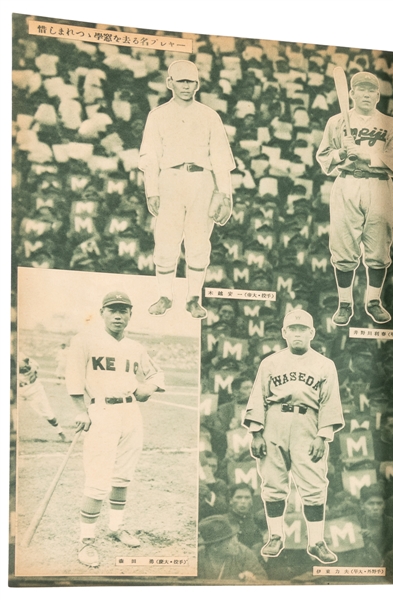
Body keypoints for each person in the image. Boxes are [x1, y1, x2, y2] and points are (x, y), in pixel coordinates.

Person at [65, 291, 165, 568]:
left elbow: (156, 374)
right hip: (102, 410)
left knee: (123, 476)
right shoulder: (84, 340)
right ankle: (86, 541)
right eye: (113, 310)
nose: (119, 315)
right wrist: (80, 411)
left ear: (131, 314)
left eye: (124, 310)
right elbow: (73, 378)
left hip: (130, 411)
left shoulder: (136, 347)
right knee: (97, 479)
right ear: (102, 312)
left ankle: (116, 526)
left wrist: (148, 387)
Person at [243, 309, 345, 564]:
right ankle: (275, 536)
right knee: (273, 483)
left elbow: (330, 402)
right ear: (284, 333)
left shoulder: (324, 364)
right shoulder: (270, 362)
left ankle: (316, 541)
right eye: (292, 329)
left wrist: (323, 436)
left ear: (311, 332)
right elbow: (257, 397)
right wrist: (256, 433)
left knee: (313, 485)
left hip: (307, 423)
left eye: (303, 329)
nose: (297, 333)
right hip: (274, 421)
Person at [138, 60, 235, 319]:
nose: (185, 86)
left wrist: (225, 194)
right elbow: (149, 157)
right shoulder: (157, 115)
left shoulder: (209, 115)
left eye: (190, 82)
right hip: (169, 179)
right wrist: (152, 191)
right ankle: (164, 296)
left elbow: (221, 158)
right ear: (170, 83)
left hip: (202, 180)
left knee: (199, 241)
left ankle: (194, 298)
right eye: (180, 81)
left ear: (198, 84)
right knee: (166, 239)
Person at [316, 72, 393, 326]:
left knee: (378, 246)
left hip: (380, 185)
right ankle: (344, 304)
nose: (366, 94)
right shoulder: (336, 121)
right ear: (351, 94)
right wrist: (343, 152)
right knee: (343, 245)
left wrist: (364, 155)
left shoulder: (390, 123)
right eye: (360, 90)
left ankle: (373, 301)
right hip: (347, 182)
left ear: (377, 95)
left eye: (371, 91)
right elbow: (324, 156)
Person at [197, 514, 267, 582]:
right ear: (215, 547)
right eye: (230, 541)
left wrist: (253, 579)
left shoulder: (244, 553)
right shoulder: (197, 557)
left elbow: (263, 578)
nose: (236, 543)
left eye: (235, 537)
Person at [17, 354, 68, 441]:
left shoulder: (32, 365)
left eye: (25, 366)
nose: (23, 368)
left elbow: (27, 365)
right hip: (18, 391)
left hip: (34, 390)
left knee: (47, 413)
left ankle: (60, 432)